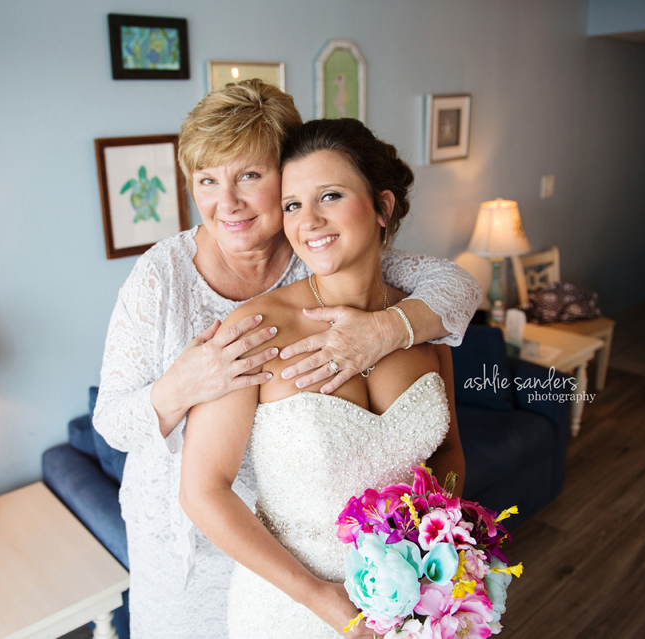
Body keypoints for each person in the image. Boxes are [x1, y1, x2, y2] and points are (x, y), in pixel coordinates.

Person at [93, 80, 480, 639]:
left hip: (372, 569)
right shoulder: (167, 281)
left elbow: (457, 288)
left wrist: (384, 331)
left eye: (250, 176)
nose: (228, 203)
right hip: (192, 551)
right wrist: (182, 386)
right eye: (207, 180)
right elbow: (120, 429)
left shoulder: (329, 256)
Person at [180, 118, 465, 638]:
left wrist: (432, 549)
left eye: (329, 196)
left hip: (409, 605)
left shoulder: (425, 322)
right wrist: (317, 596)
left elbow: (447, 454)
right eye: (292, 205)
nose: (308, 221)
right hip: (289, 604)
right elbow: (203, 491)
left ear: (383, 207)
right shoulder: (255, 329)